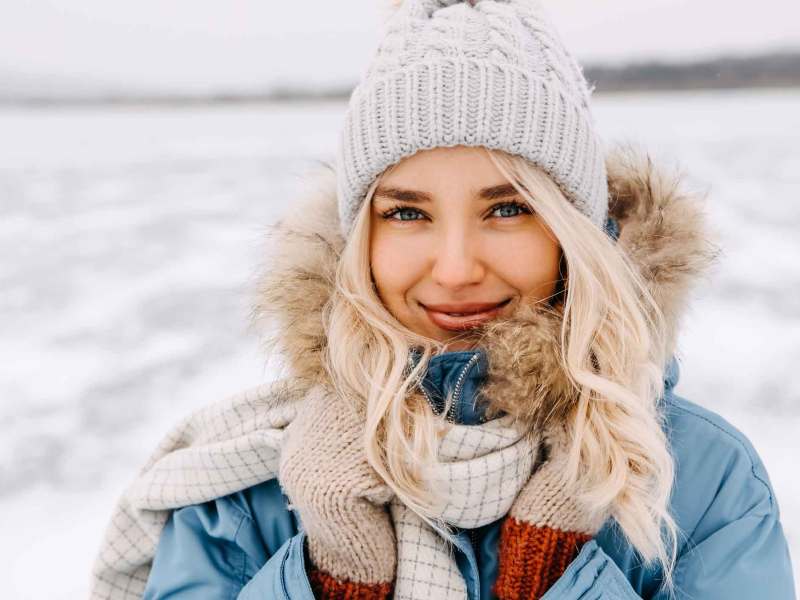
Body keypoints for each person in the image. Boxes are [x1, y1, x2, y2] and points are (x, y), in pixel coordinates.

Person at [89, 1, 796, 599]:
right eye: (405, 213)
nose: (455, 269)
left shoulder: (699, 483)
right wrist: (335, 577)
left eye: (508, 210)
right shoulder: (242, 493)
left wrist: (550, 572)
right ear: (357, 238)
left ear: (572, 232)